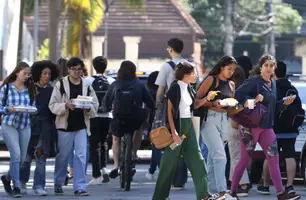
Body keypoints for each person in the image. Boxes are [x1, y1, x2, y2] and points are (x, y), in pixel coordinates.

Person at [227, 54, 301, 200]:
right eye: (266, 65)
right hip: (249, 127)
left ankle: (280, 193)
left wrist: (284, 103)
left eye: (271, 66)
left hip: (266, 128)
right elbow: (236, 98)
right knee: (244, 159)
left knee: (274, 158)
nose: (268, 68)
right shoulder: (254, 81)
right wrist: (253, 100)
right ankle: (232, 192)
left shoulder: (272, 83)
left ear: (274, 69)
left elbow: (272, 107)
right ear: (260, 67)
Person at [152, 62, 214, 200]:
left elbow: (195, 105)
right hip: (178, 127)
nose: (196, 75)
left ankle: (204, 195)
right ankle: (159, 197)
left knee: (198, 160)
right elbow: (169, 110)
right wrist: (174, 133)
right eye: (194, 73)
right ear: (186, 74)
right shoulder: (175, 87)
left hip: (189, 127)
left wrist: (207, 99)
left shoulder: (189, 88)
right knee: (168, 165)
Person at [49, 57, 99, 196]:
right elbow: (52, 105)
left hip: (81, 126)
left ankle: (80, 186)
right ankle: (58, 182)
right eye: (74, 69)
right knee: (63, 156)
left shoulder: (87, 85)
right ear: (69, 70)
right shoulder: (61, 84)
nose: (77, 72)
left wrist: (88, 109)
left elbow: (95, 105)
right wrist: (65, 105)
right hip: (65, 126)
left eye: (79, 69)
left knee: (81, 156)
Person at [257, 61, 302, 195]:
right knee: (290, 155)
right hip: (290, 129)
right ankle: (289, 185)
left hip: (273, 129)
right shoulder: (292, 88)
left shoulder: (270, 87)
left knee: (269, 156)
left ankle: (265, 185)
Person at [103, 60, 154, 179]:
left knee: (116, 139)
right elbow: (150, 102)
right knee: (139, 128)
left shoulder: (115, 84)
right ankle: (134, 153)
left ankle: (115, 165)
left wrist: (105, 108)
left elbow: (106, 102)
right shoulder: (139, 85)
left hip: (119, 117)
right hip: (135, 118)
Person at [196, 56, 237, 197]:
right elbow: (197, 100)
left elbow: (232, 108)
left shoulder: (231, 84)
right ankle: (222, 191)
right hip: (209, 119)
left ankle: (210, 191)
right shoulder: (211, 80)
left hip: (224, 120)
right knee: (220, 156)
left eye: (233, 70)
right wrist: (213, 103)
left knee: (213, 158)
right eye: (229, 68)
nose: (231, 72)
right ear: (221, 67)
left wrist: (243, 106)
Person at [19, 60, 59, 196]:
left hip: (45, 126)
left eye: (49, 74)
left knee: (41, 157)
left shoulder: (52, 91)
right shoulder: (29, 88)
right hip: (29, 125)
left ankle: (39, 186)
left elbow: (54, 109)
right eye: (44, 73)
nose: (47, 76)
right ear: (38, 74)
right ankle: (22, 182)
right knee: (26, 157)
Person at [155, 38, 189, 189]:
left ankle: (172, 177)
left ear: (170, 49)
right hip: (188, 109)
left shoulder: (166, 66)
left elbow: (160, 91)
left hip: (172, 109)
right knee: (184, 142)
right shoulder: (191, 65)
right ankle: (181, 178)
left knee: (172, 143)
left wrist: (158, 108)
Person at [0, 62, 36, 198]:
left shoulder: (30, 88)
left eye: (29, 74)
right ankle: (16, 186)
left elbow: (33, 105)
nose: (27, 76)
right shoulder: (7, 88)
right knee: (16, 154)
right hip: (9, 124)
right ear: (17, 72)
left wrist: (32, 110)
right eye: (24, 73)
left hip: (25, 124)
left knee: (21, 159)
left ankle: (7, 177)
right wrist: (6, 109)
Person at [86, 56, 114, 184]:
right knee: (104, 143)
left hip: (93, 116)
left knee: (94, 143)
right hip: (107, 116)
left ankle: (96, 175)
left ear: (94, 66)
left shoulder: (88, 80)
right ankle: (104, 169)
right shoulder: (111, 80)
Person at [227, 66, 251, 197]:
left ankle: (243, 185)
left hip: (235, 125)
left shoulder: (233, 91)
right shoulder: (248, 89)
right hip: (248, 126)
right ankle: (235, 183)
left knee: (235, 156)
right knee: (242, 156)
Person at [144, 71, 163, 180]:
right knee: (157, 146)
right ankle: (152, 170)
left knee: (156, 147)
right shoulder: (164, 91)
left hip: (153, 122)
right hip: (165, 121)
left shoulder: (149, 92)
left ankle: (157, 169)